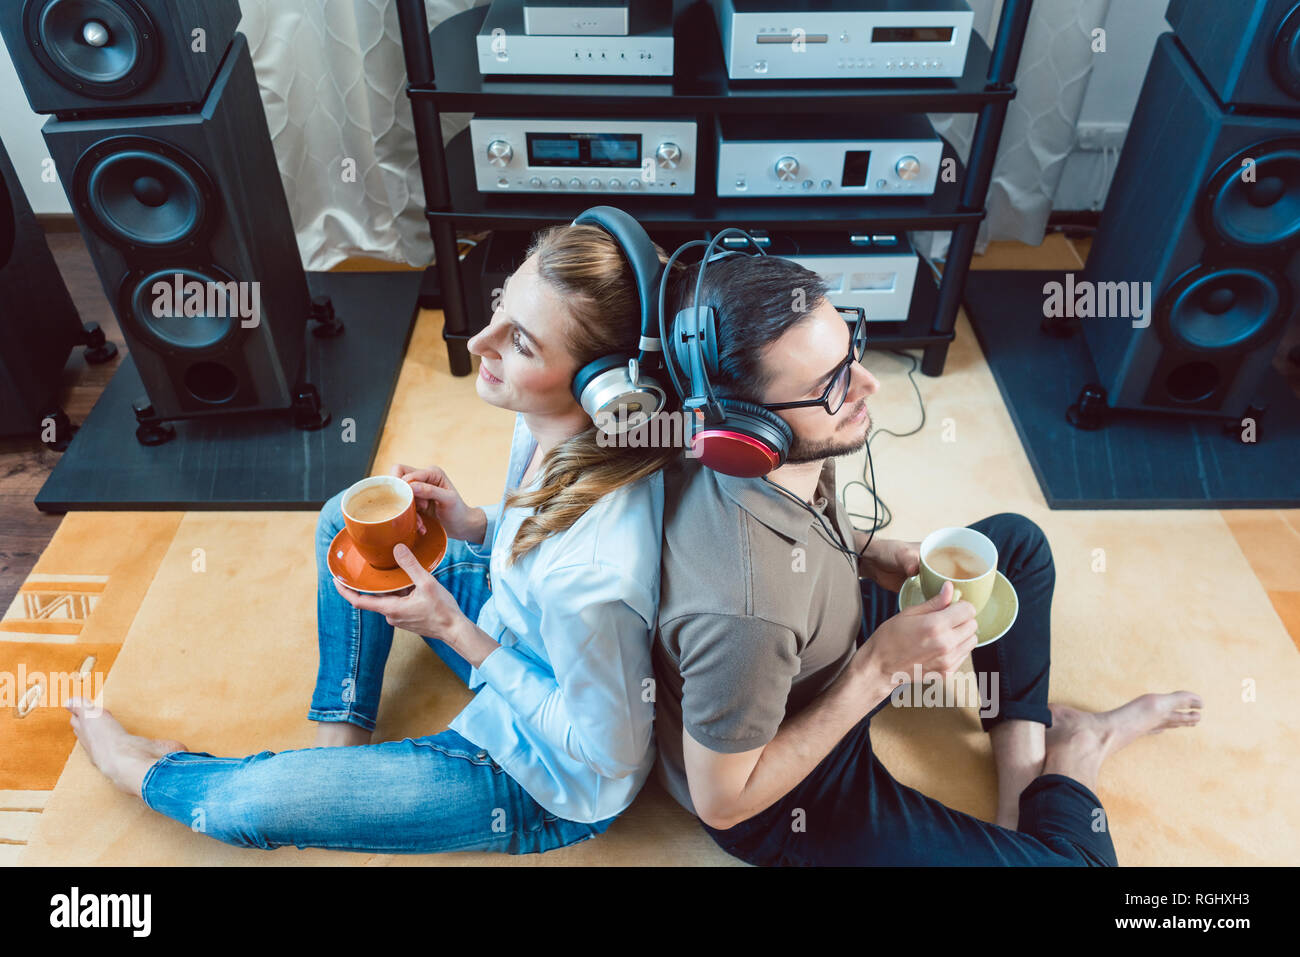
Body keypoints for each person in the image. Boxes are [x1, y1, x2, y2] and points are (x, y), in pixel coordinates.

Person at [66, 221, 680, 855]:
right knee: (348, 518)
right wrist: (475, 523)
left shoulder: (594, 579)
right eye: (501, 308)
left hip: (544, 776)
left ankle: (139, 769)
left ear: (606, 388)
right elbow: (545, 518)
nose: (478, 342)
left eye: (519, 343)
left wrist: (452, 629)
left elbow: (607, 752)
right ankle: (342, 737)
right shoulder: (561, 426)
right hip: (520, 620)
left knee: (249, 804)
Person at [652, 250, 1204, 866]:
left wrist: (866, 550)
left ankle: (1020, 795)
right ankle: (1080, 751)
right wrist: (879, 671)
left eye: (851, 349)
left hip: (823, 649)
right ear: (749, 428)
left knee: (1014, 548)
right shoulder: (746, 616)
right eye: (830, 385)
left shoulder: (762, 455)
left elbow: (796, 537)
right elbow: (724, 803)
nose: (868, 384)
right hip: (791, 786)